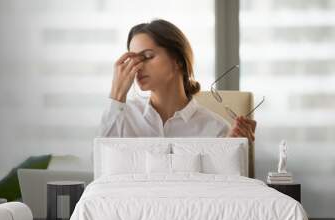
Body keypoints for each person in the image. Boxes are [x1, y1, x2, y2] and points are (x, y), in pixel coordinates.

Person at [97, 19, 256, 141]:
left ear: (178, 60)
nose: (137, 67)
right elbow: (100, 167)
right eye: (133, 60)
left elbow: (221, 182)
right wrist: (116, 95)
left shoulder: (216, 130)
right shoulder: (122, 117)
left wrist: (231, 149)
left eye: (147, 57)